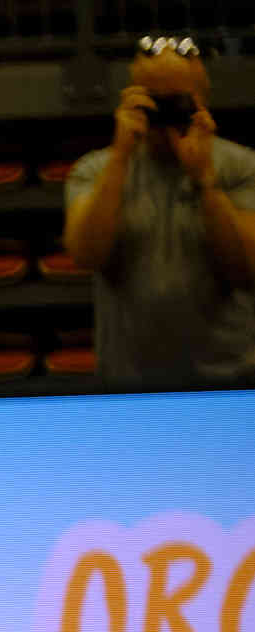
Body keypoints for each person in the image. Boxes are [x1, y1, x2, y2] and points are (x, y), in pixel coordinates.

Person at [63, 33, 255, 388]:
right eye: (155, 102)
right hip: (130, 385)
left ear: (203, 102)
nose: (164, 115)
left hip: (230, 382)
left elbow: (246, 268)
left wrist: (205, 182)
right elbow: (87, 253)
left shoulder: (243, 168)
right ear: (131, 99)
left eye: (177, 102)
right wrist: (121, 156)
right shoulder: (94, 170)